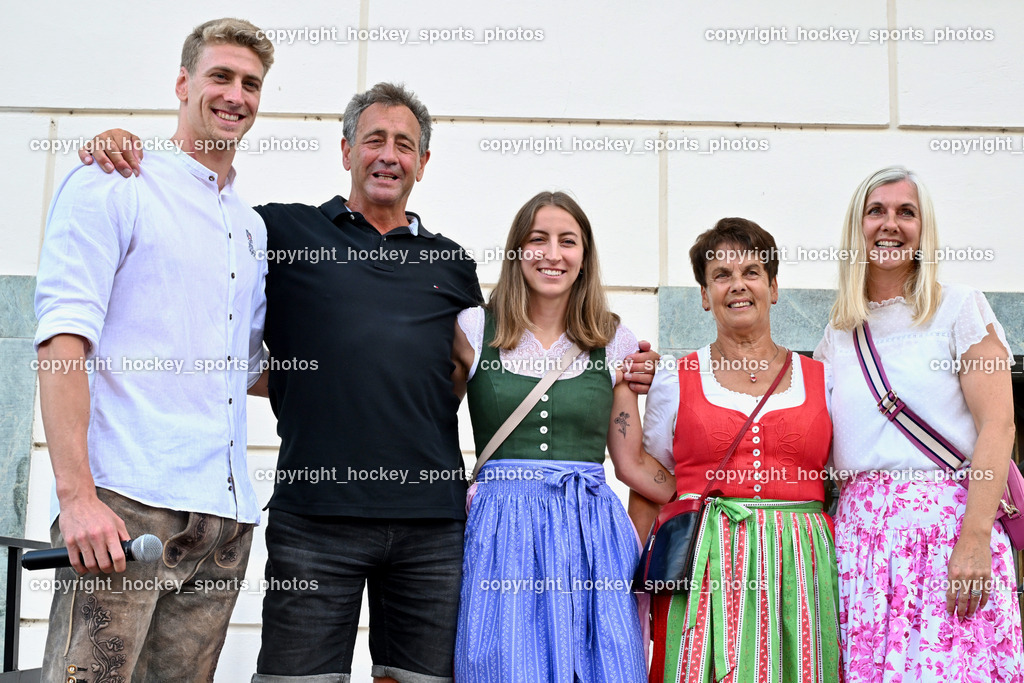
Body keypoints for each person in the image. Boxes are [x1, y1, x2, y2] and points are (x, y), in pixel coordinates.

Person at [79, 84, 661, 683]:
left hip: (431, 527)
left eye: (404, 144)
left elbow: (490, 364)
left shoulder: (453, 265)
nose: (388, 154)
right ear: (346, 150)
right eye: (374, 140)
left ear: (423, 163)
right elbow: (205, 219)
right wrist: (137, 155)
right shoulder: (282, 232)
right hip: (315, 516)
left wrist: (629, 367)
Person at [33, 18, 273, 682]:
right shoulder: (115, 181)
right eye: (220, 76)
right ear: (183, 83)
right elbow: (61, 343)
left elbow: (247, 368)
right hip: (122, 506)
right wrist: (76, 494)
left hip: (222, 521)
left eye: (250, 83)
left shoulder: (250, 228)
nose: (236, 94)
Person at [450, 191, 675, 682]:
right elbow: (427, 423)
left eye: (567, 241)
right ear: (517, 252)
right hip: (500, 532)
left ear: (584, 257)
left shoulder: (612, 339)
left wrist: (706, 475)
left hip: (589, 531)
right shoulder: (474, 328)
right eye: (539, 240)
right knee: (499, 665)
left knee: (601, 667)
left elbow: (632, 463)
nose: (553, 254)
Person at [814, 166, 1023, 682]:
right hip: (858, 548)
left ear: (923, 228)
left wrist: (974, 537)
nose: (891, 224)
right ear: (856, 227)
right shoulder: (837, 336)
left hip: (949, 536)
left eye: (906, 212)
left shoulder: (959, 308)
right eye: (876, 211)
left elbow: (999, 425)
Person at [642, 218, 841, 682]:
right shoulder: (674, 379)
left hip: (800, 565)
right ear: (704, 295)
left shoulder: (824, 378)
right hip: (705, 564)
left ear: (773, 288)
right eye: (721, 275)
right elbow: (653, 483)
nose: (738, 285)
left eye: (751, 272)